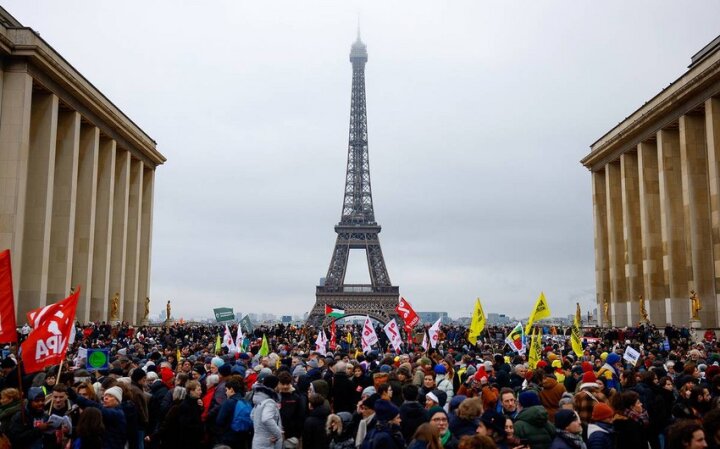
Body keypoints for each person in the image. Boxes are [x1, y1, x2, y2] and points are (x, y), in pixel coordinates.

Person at [252, 375, 283, 449]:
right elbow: (267, 419)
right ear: (274, 386)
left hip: (258, 441)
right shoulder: (269, 402)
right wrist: (278, 434)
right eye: (279, 384)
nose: (280, 386)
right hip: (268, 444)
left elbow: (252, 415)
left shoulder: (260, 400)